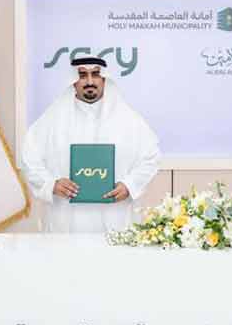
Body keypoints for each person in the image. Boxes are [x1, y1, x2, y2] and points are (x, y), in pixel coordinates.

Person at [22, 56, 160, 232]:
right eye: (82, 75)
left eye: (95, 74)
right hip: (66, 218)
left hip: (115, 216)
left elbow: (151, 158)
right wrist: (51, 184)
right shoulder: (52, 120)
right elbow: (30, 158)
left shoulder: (129, 120)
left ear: (104, 80)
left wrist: (130, 185)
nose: (89, 82)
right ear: (73, 81)